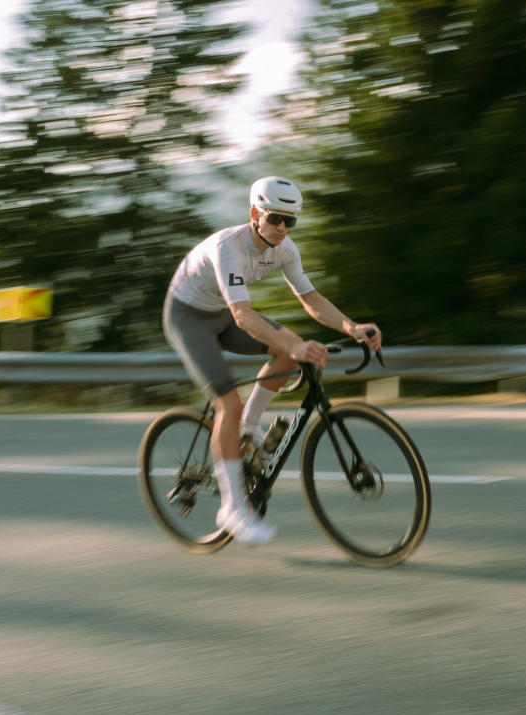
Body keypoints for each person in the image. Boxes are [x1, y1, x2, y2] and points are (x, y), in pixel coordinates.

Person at [163, 176, 383, 547]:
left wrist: (352, 327)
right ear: (255, 214)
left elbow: (311, 300)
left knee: (289, 347)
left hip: (222, 312)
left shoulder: (285, 250)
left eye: (290, 221)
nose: (282, 227)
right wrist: (296, 348)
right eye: (275, 218)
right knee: (228, 404)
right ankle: (231, 509)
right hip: (188, 317)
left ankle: (248, 428)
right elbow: (243, 317)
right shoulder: (229, 248)